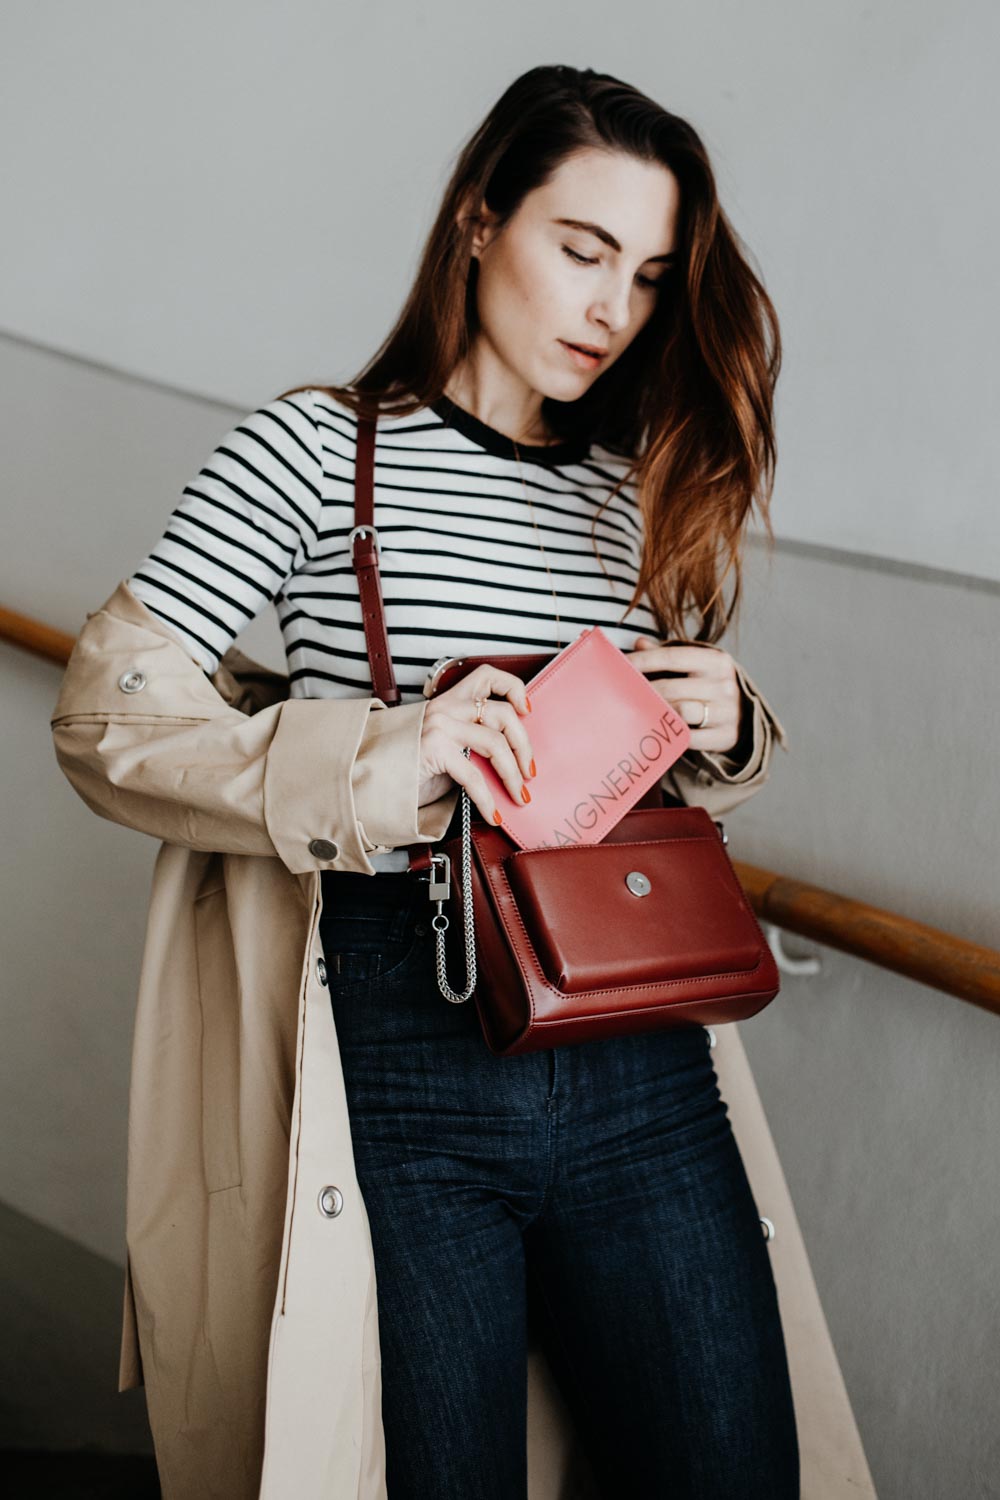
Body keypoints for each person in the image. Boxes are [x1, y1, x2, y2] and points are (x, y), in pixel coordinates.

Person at [53, 64, 795, 1500]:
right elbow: (104, 716)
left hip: (640, 1055)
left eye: (646, 276)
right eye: (581, 251)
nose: (612, 309)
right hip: (404, 1047)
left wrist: (721, 715)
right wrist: (387, 751)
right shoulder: (314, 449)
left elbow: (622, 791)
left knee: (728, 1465)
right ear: (476, 221)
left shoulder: (630, 485)